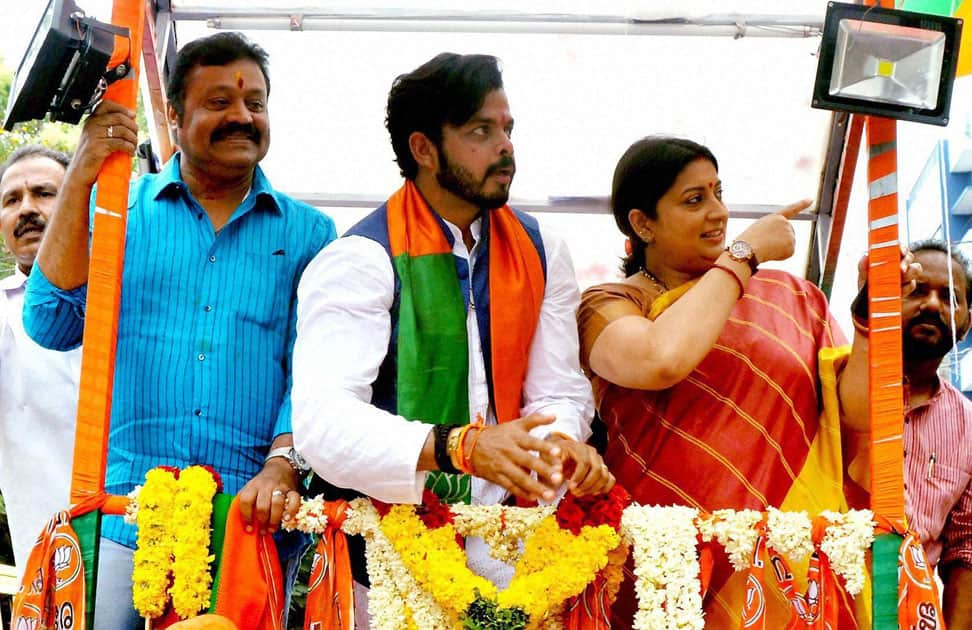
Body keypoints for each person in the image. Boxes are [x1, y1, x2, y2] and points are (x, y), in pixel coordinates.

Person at [22, 32, 336, 627]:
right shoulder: (118, 209)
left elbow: (313, 374)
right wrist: (81, 177)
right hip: (122, 514)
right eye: (219, 102)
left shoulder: (310, 235)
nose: (242, 116)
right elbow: (50, 322)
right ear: (174, 112)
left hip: (248, 517)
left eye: (256, 104)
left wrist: (283, 465)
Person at [292, 52, 614, 623]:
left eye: (508, 129)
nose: (506, 147)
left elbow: (559, 389)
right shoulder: (360, 259)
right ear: (423, 148)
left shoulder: (542, 250)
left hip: (515, 552)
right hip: (389, 567)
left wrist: (559, 443)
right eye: (480, 131)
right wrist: (459, 448)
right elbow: (323, 424)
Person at [577, 136, 869, 626]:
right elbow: (660, 360)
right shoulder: (608, 303)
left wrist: (869, 320)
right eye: (694, 200)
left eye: (718, 192)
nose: (717, 212)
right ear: (642, 223)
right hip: (662, 565)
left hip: (785, 561)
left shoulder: (793, 297)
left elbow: (854, 414)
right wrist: (745, 253)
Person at [840, 239, 972, 626]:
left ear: (966, 324)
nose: (931, 305)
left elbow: (965, 549)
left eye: (949, 297)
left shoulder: (968, 426)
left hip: (907, 615)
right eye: (914, 291)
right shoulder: (836, 384)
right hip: (822, 604)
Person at [0, 145, 80, 577]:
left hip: (156, 547)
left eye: (45, 193)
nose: (26, 209)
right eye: (11, 200)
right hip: (52, 571)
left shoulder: (130, 297)